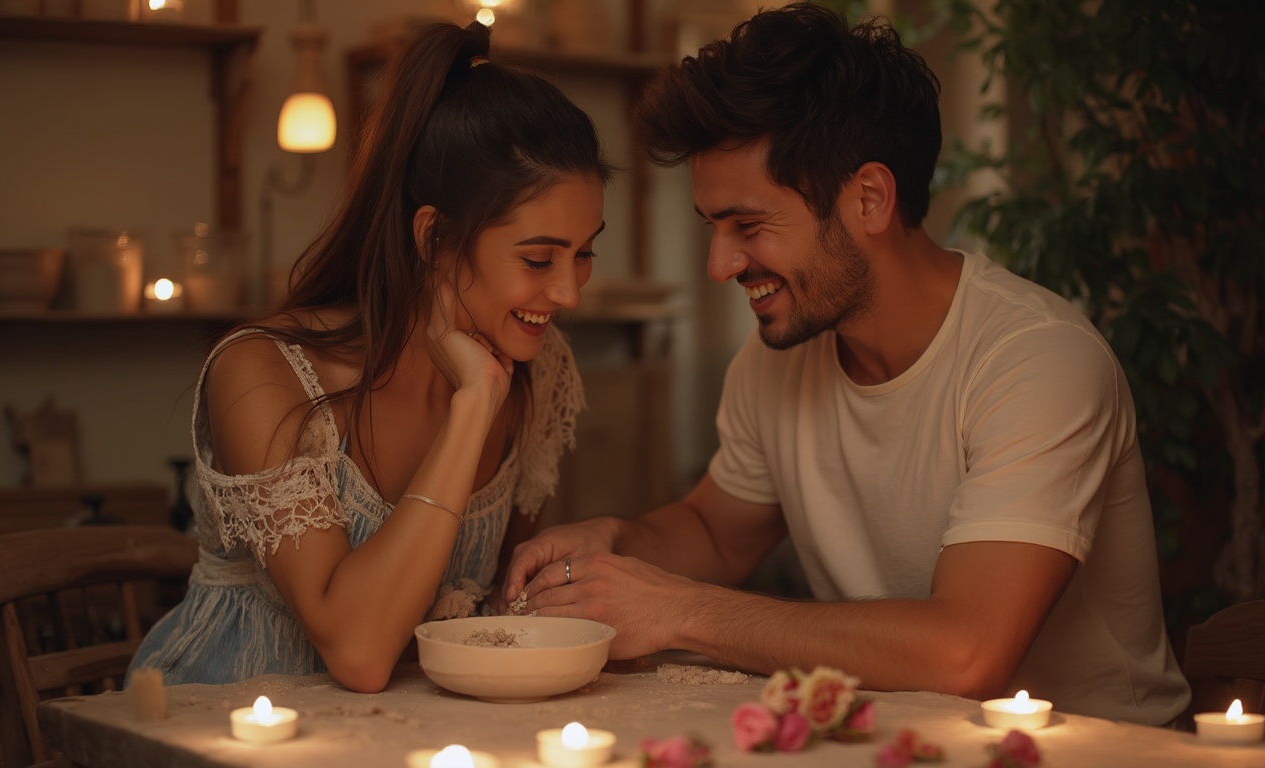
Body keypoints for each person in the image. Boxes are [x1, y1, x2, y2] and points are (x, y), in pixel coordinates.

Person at [504, 3, 1189, 725]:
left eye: (749, 225)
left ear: (869, 199)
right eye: (714, 228)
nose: (719, 265)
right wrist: (615, 542)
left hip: (1100, 746)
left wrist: (679, 610)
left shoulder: (1036, 361)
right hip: (902, 740)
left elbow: (966, 652)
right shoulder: (774, 362)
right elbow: (714, 533)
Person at [129, 19, 610, 693]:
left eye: (584, 253)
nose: (569, 293)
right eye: (538, 259)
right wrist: (473, 407)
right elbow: (357, 651)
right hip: (219, 720)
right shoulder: (261, 374)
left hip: (413, 731)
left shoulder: (535, 369)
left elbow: (506, 603)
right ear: (434, 237)